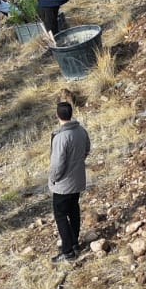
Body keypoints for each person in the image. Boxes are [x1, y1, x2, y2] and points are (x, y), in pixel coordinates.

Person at [48, 101, 89, 262]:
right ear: (71, 113)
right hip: (77, 181)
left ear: (57, 115)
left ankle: (67, 251)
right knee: (74, 211)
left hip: (63, 185)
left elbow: (58, 164)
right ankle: (74, 243)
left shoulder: (61, 137)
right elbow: (87, 149)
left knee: (61, 216)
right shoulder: (81, 130)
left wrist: (53, 178)